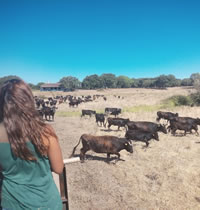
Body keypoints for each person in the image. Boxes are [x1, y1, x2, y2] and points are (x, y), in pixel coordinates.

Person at [0, 78, 64, 210]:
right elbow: (58, 168)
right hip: (46, 202)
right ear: (29, 101)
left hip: (12, 203)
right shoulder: (45, 131)